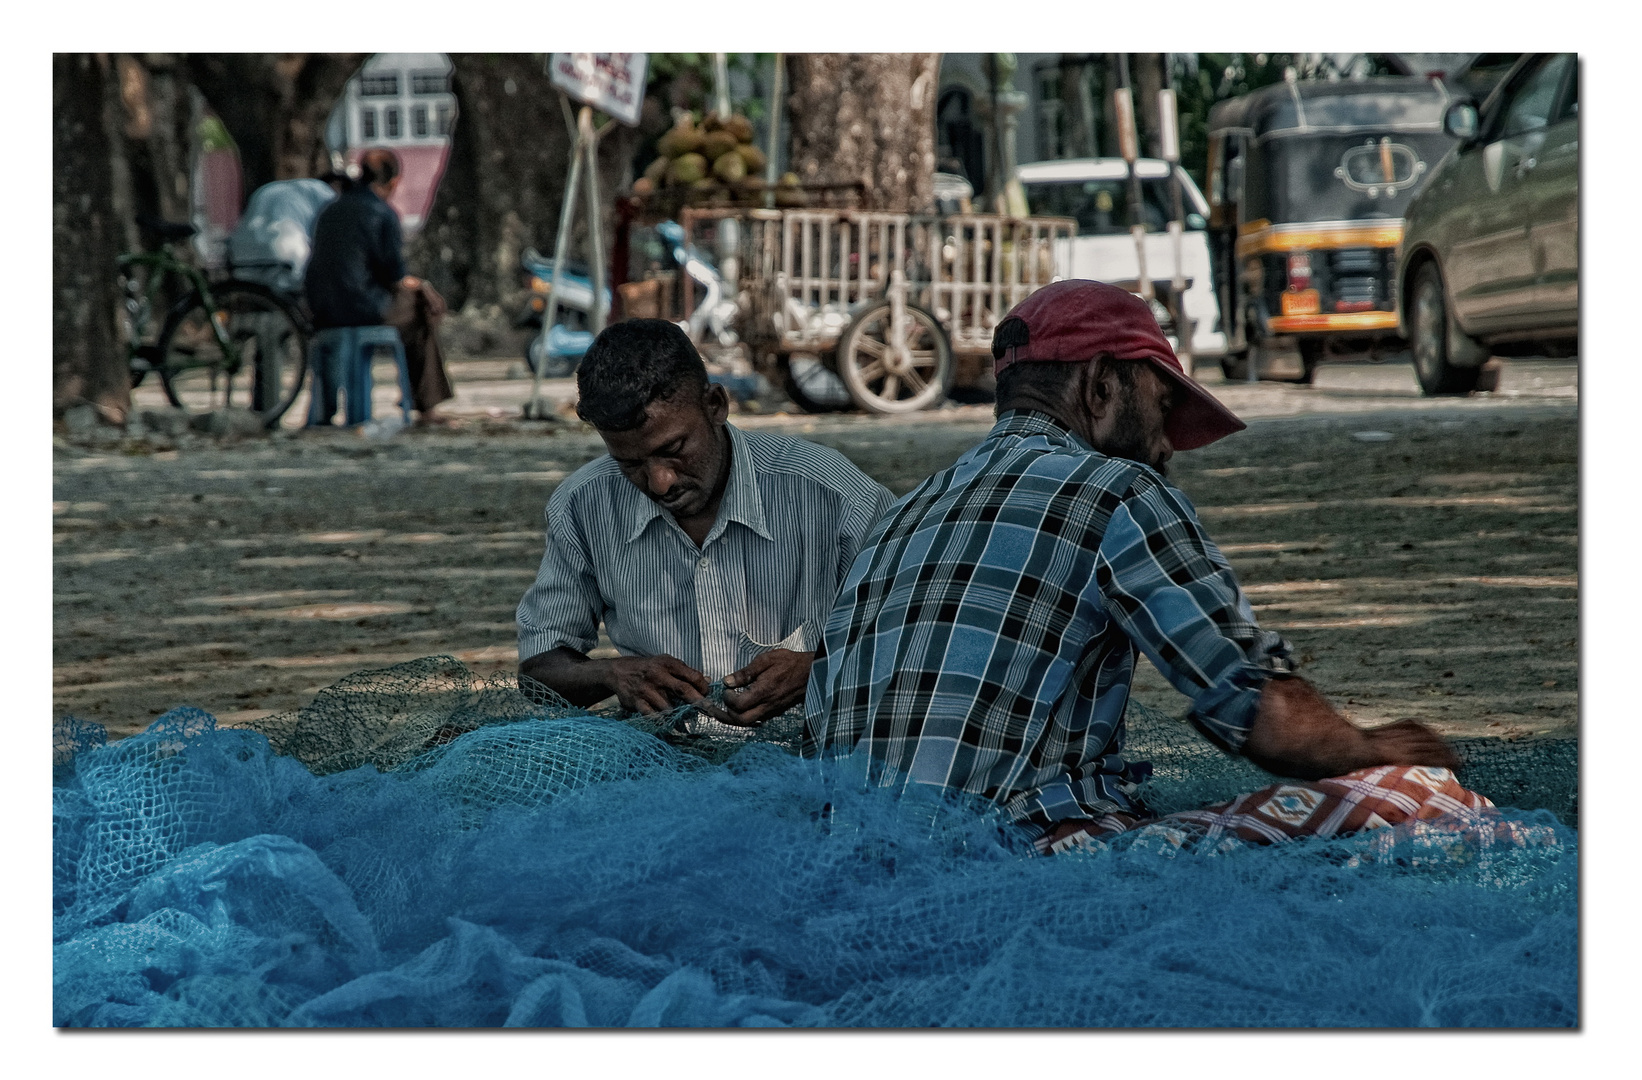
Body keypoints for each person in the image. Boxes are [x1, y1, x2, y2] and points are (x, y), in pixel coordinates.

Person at [804, 279, 1478, 854]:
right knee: (1424, 802)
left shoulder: (903, 513)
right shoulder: (1117, 491)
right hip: (1008, 861)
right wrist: (1378, 750)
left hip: (854, 859)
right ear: (1100, 386)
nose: (1164, 446)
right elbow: (1262, 715)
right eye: (1161, 409)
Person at [518, 319, 894, 727]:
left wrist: (816, 668)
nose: (660, 481)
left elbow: (922, 629)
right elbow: (540, 667)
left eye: (675, 449)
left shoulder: (830, 492)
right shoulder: (582, 505)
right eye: (630, 463)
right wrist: (613, 674)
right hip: (662, 761)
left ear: (715, 405)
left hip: (813, 752)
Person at [304, 148, 454, 425]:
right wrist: (423, 287)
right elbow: (395, 275)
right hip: (363, 307)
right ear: (394, 182)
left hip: (320, 307)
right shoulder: (382, 213)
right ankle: (426, 405)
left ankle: (325, 409)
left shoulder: (331, 209)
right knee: (422, 309)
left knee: (415, 301)